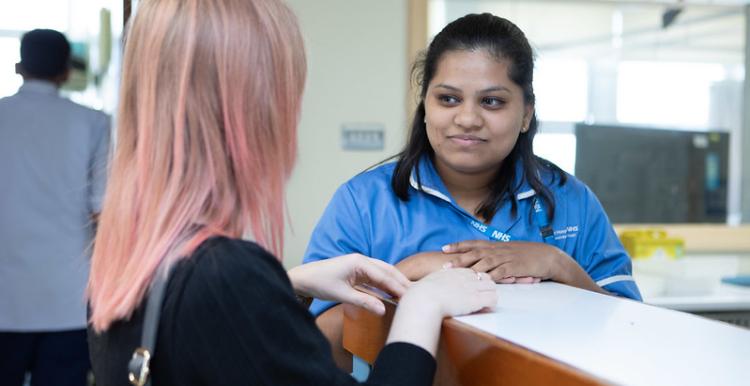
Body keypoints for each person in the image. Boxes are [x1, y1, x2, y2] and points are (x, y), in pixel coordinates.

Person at [86, 1, 497, 385]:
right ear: (254, 111)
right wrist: (423, 307)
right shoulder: (227, 277)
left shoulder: (129, 253)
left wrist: (288, 282)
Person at [303, 13, 643, 369]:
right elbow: (312, 346)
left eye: (492, 101)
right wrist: (403, 277)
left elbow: (633, 331)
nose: (467, 118)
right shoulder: (363, 203)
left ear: (526, 113)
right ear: (425, 107)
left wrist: (558, 264)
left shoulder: (571, 202)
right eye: (448, 99)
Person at [0, 29, 111, 386]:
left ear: (18, 67)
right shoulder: (95, 123)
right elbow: (102, 210)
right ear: (66, 72)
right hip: (67, 299)